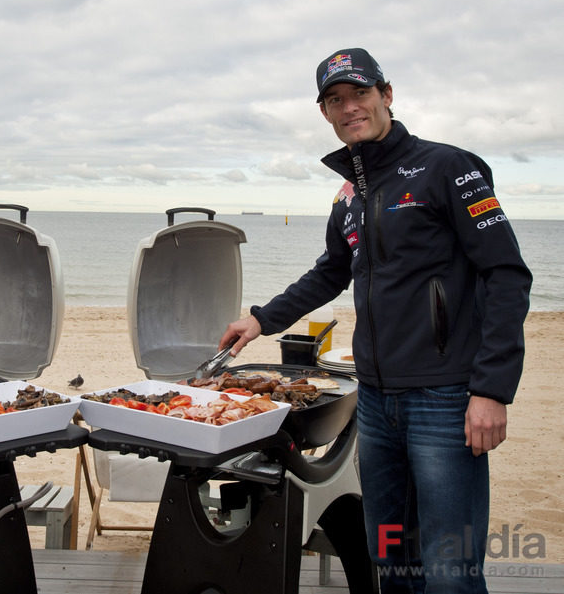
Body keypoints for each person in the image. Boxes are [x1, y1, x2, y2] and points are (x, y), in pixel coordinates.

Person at [218, 48, 531, 593]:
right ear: (325, 114)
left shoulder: (450, 169)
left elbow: (506, 275)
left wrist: (492, 391)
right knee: (390, 554)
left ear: (386, 95)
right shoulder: (351, 196)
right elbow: (331, 272)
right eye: (334, 100)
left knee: (449, 567)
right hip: (377, 405)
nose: (349, 107)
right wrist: (261, 319)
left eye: (359, 93)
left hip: (445, 398)